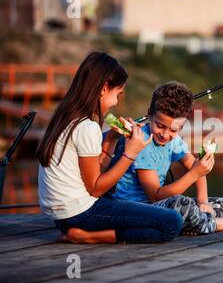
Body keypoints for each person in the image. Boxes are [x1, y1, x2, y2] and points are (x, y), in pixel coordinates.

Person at [36, 52, 183, 244]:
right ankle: (87, 236)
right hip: (80, 213)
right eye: (118, 94)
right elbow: (96, 189)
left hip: (61, 215)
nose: (116, 103)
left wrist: (112, 137)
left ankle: (90, 229)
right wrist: (131, 153)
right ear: (104, 88)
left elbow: (96, 173)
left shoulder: (65, 117)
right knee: (172, 222)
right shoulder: (87, 127)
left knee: (145, 213)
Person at [106, 81, 223, 234]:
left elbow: (195, 168)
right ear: (149, 114)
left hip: (160, 206)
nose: (165, 134)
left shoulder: (175, 141)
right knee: (182, 203)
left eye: (174, 129)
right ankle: (213, 225)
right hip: (137, 208)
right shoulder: (142, 142)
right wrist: (194, 173)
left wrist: (203, 201)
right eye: (160, 126)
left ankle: (196, 223)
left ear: (181, 127)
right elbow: (155, 196)